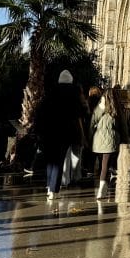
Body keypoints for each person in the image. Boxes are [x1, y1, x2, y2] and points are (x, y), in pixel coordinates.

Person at [35, 69, 87, 200]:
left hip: (48, 132)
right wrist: (82, 134)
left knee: (50, 161)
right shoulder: (73, 94)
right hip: (65, 133)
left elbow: (40, 113)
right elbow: (78, 116)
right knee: (58, 161)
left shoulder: (50, 93)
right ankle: (53, 189)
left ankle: (49, 186)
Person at [91, 86, 127, 198]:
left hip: (98, 141)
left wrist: (89, 137)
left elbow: (92, 122)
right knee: (105, 165)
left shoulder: (99, 108)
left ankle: (104, 184)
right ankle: (102, 188)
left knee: (103, 164)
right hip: (111, 140)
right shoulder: (117, 108)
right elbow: (123, 126)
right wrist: (125, 140)